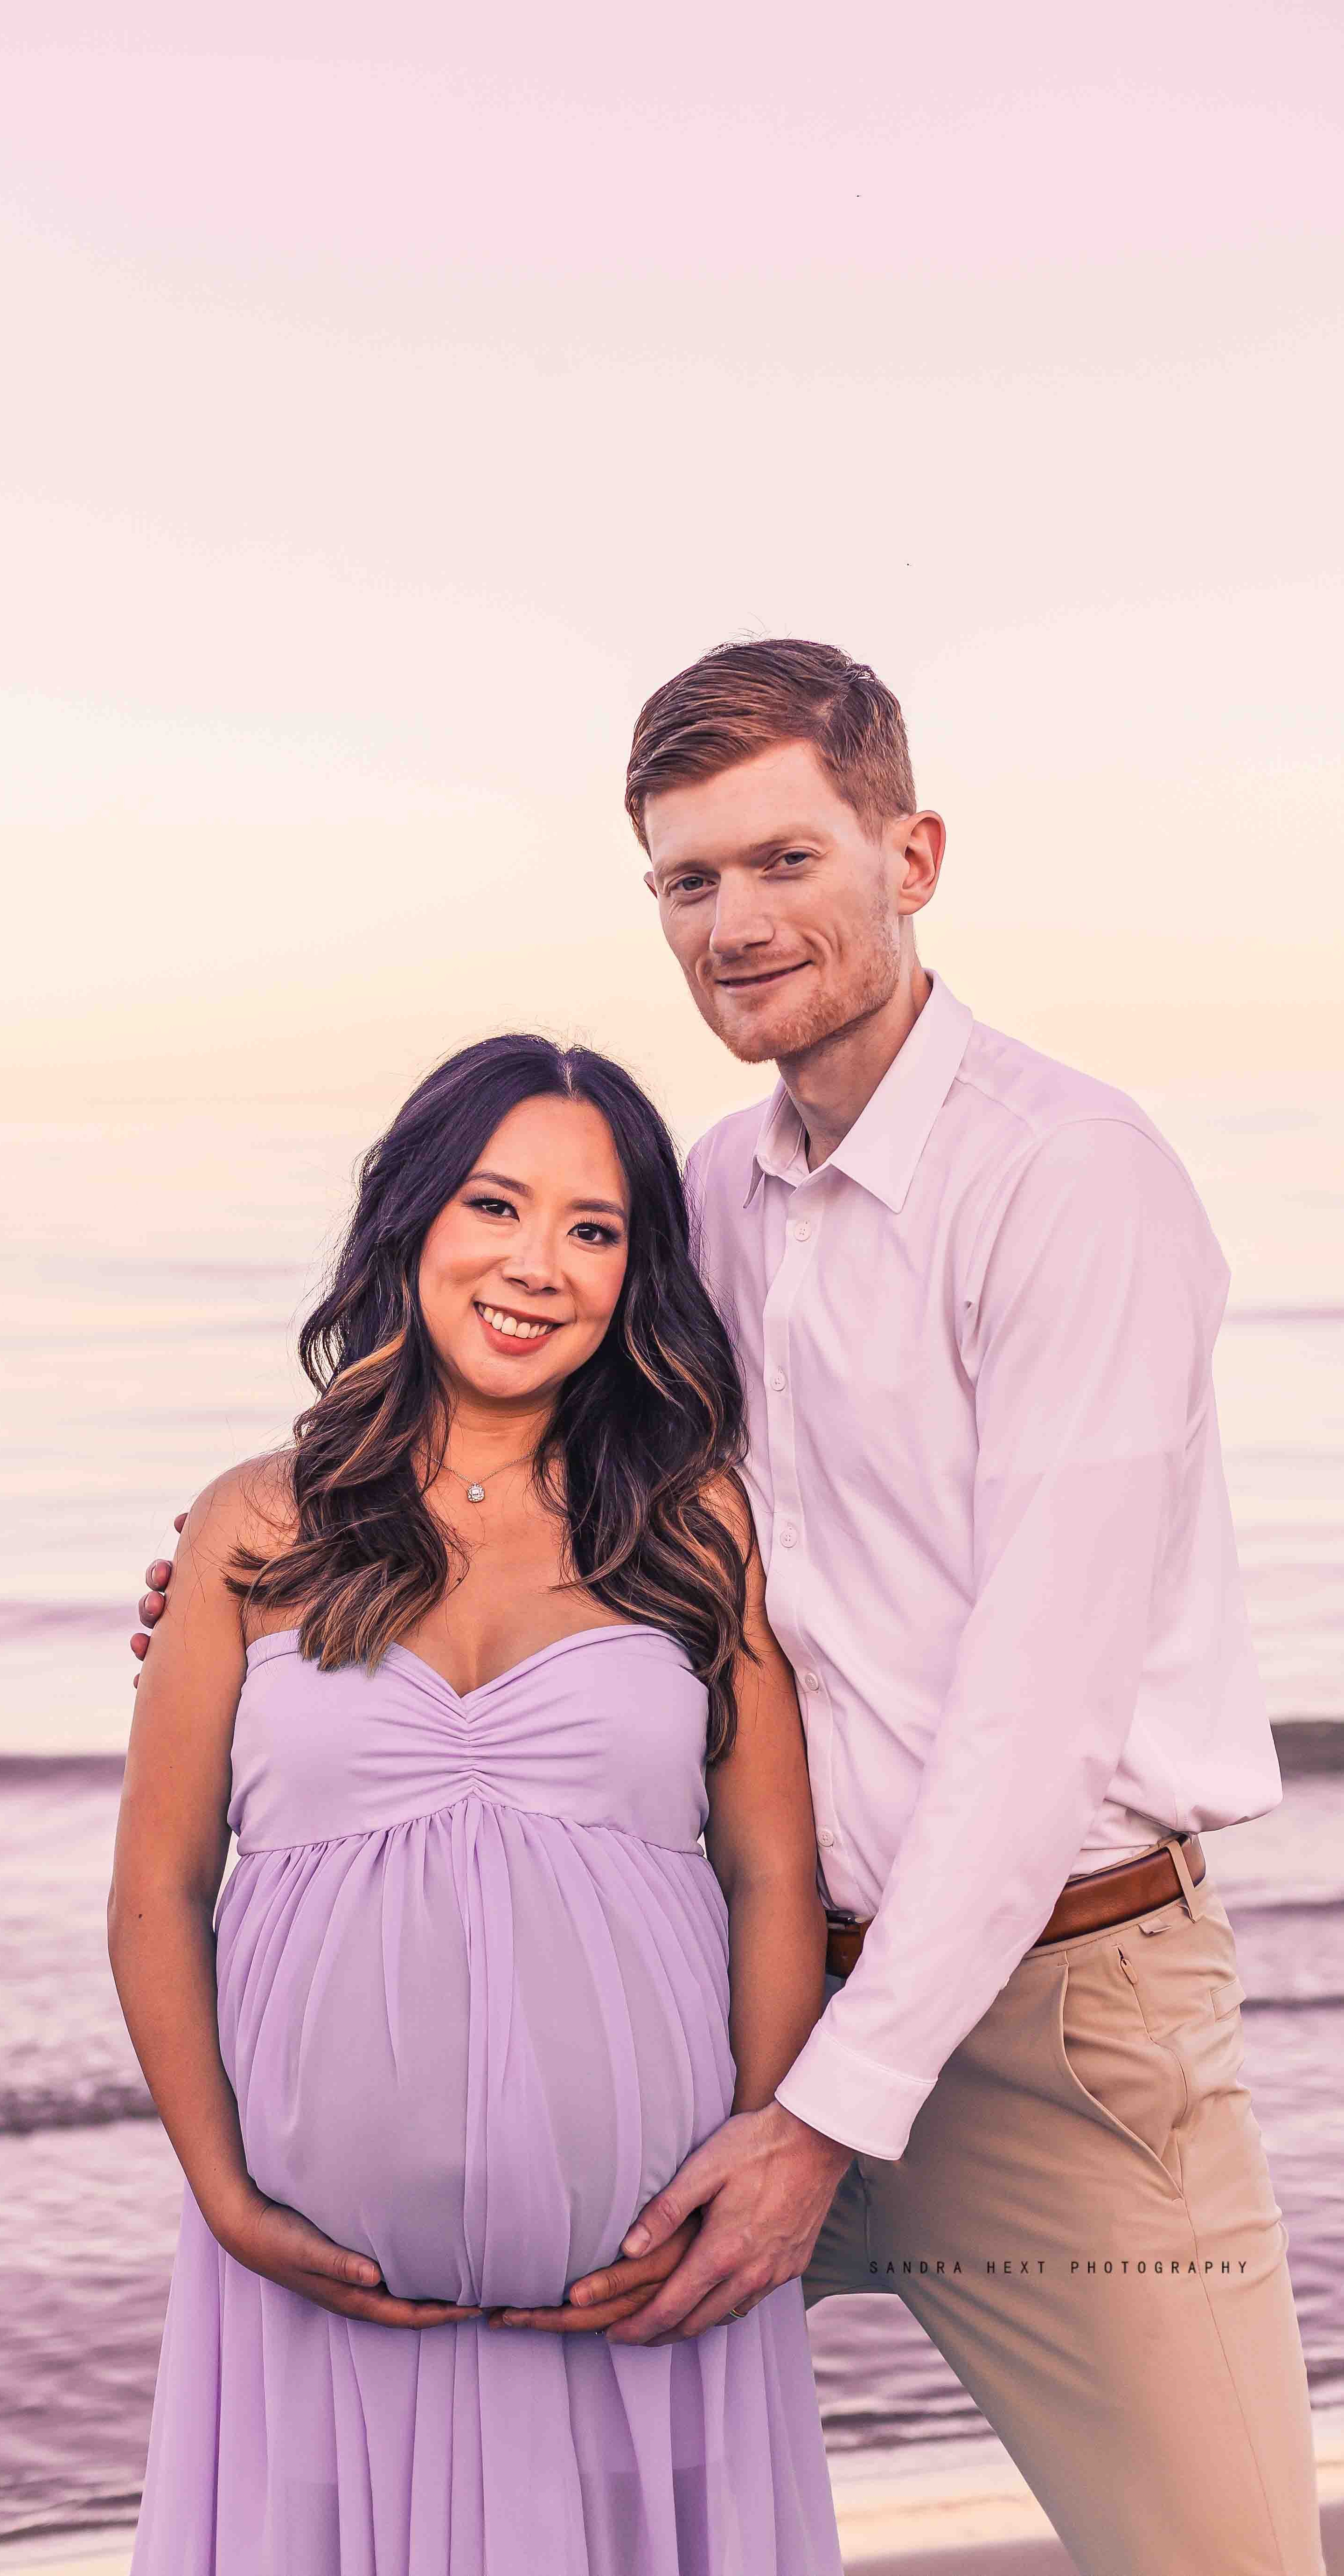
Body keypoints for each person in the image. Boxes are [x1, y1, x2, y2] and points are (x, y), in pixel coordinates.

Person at [138, 636, 1328, 2576]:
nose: (736, 921)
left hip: (1042, 2027)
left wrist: (817, 2125)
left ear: (911, 852)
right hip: (730, 2014)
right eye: (689, 880)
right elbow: (538, 1468)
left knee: (1222, 2564)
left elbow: (1035, 1720)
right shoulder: (698, 1193)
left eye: (785, 860)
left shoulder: (1071, 1185)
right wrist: (253, 1600)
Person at [110, 1035, 843, 2575]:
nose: (537, 1264)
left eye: (594, 1228)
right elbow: (160, 1886)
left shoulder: (695, 1518)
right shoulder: (256, 1520)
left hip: (648, 2294)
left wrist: (757, 2157)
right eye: (495, 1206)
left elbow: (774, 1866)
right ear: (414, 1221)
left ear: (636, 1275)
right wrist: (228, 2196)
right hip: (313, 2302)